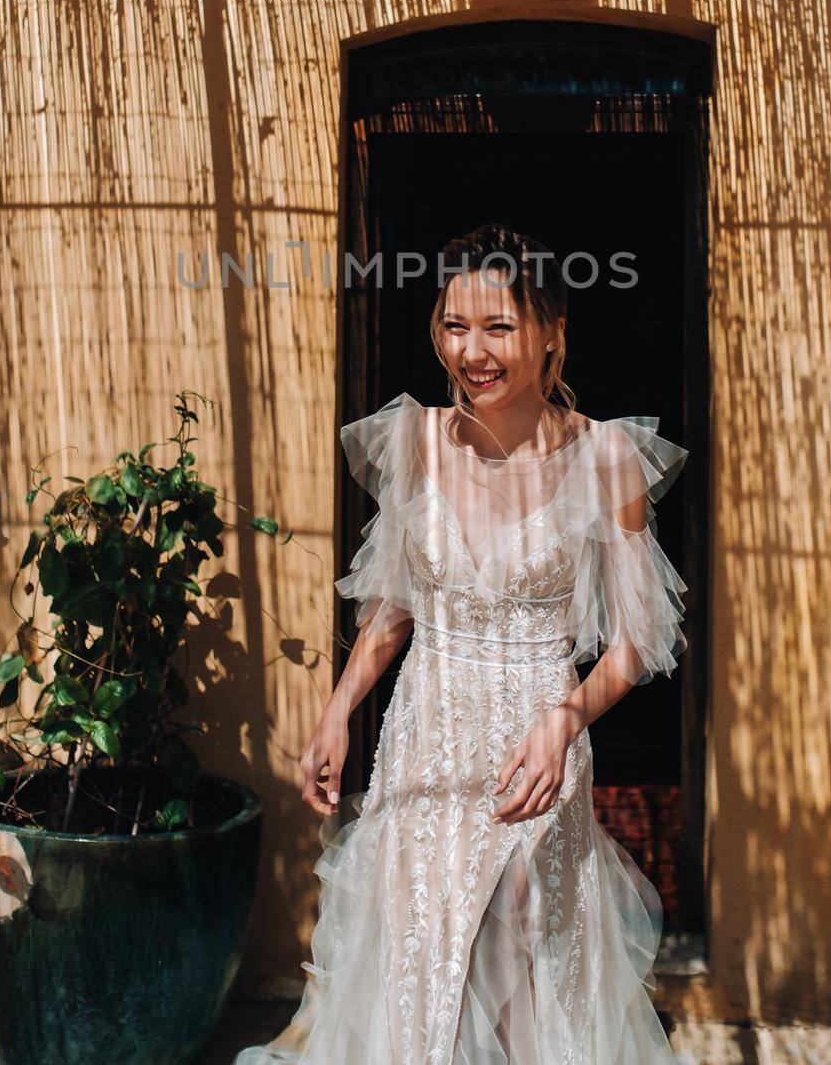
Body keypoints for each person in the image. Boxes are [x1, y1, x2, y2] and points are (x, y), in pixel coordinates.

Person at [234, 222, 689, 1065]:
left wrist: (566, 720)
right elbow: (394, 610)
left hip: (534, 738)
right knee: (424, 951)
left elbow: (634, 643)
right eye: (452, 326)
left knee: (516, 944)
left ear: (551, 332)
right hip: (427, 731)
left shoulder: (606, 456)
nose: (470, 351)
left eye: (497, 328)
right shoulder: (413, 442)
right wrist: (337, 714)